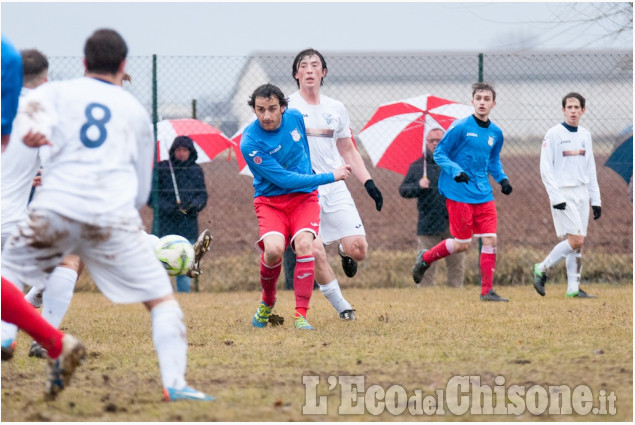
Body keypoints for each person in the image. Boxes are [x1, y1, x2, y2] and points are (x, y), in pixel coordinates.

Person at [2, 29, 213, 402]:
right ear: (123, 65)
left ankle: (12, 336)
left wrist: (29, 135)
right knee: (161, 301)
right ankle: (175, 384)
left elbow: (26, 118)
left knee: (9, 275)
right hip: (108, 213)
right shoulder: (133, 110)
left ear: (83, 63)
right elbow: (142, 184)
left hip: (57, 206)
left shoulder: (56, 92)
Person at [0, 34, 86, 400]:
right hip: (10, 218)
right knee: (68, 259)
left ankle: (25, 337)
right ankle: (43, 337)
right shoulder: (38, 116)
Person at [240, 83, 352, 330]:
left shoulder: (294, 118)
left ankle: (301, 314)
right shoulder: (249, 142)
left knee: (305, 245)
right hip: (271, 203)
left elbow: (304, 152)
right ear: (254, 110)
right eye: (260, 110)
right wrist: (329, 176)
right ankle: (267, 302)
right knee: (273, 250)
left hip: (303, 199)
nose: (266, 116)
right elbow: (284, 180)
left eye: (271, 109)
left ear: (282, 107)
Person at [288, 48, 383, 320]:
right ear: (296, 74)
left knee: (359, 250)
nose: (309, 69)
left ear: (323, 72)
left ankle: (343, 251)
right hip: (303, 191)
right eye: (303, 65)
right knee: (315, 250)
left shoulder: (336, 108)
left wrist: (369, 183)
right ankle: (343, 307)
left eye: (314, 65)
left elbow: (348, 148)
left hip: (335, 185)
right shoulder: (286, 106)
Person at [412, 82, 513, 302]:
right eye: (479, 98)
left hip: (483, 193)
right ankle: (426, 258)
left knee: (490, 240)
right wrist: (456, 171)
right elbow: (439, 154)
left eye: (487, 99)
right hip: (458, 193)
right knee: (462, 244)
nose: (482, 102)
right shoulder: (460, 127)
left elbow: (493, 160)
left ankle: (487, 292)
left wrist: (502, 179)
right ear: (473, 102)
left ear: (493, 104)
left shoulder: (496, 133)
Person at [531, 92, 601, 298]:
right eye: (569, 107)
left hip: (581, 193)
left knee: (577, 241)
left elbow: (590, 169)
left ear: (583, 110)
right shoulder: (553, 134)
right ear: (563, 110)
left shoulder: (585, 135)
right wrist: (556, 196)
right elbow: (545, 168)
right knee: (576, 240)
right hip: (563, 193)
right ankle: (541, 268)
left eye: (576, 107)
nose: (572, 111)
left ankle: (573, 289)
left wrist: (595, 199)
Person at [399, 127, 465, 288]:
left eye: (439, 140)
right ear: (426, 143)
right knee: (426, 262)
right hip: (428, 223)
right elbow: (403, 190)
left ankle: (456, 291)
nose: (435, 143)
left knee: (456, 263)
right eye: (432, 141)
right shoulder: (418, 166)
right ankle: (425, 292)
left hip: (453, 220)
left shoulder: (454, 165)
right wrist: (418, 186)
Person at [149, 135, 208, 292]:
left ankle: (184, 295)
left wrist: (192, 207)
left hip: (187, 225)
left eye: (185, 150)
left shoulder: (196, 171)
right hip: (164, 226)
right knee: (160, 264)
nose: (181, 153)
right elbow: (152, 197)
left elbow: (202, 196)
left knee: (184, 263)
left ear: (191, 151)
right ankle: (162, 294)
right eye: (178, 150)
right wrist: (169, 207)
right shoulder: (162, 169)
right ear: (172, 151)